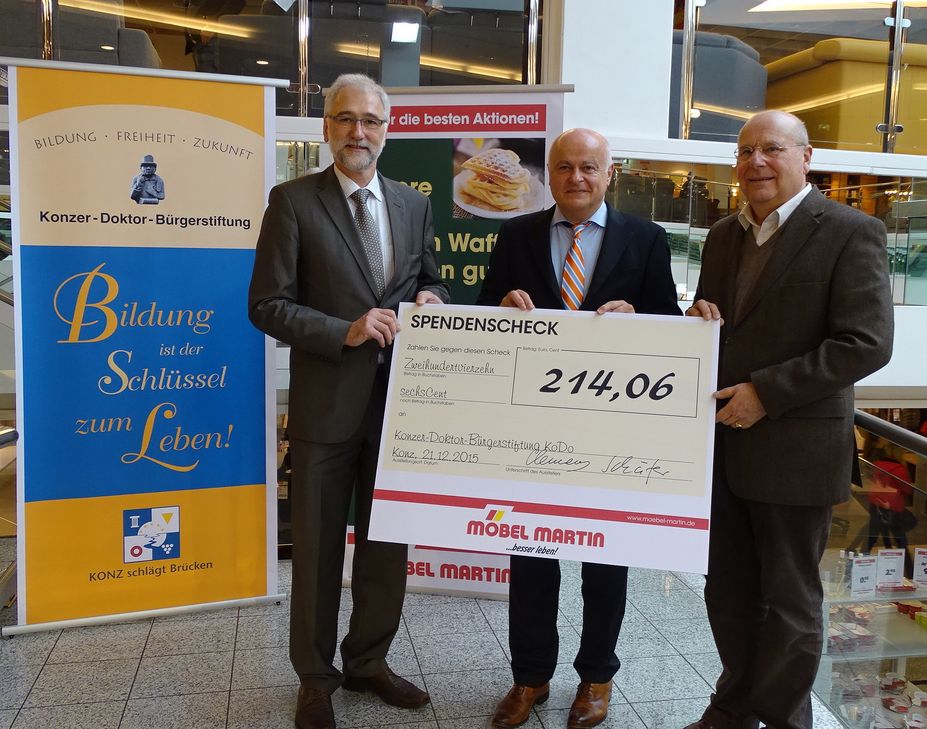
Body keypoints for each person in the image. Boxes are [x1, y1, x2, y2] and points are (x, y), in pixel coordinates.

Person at [248, 73, 449, 729]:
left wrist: (432, 298)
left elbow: (430, 279)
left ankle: (367, 662)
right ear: (326, 126)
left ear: (387, 130)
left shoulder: (412, 204)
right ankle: (315, 678)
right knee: (316, 551)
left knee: (387, 546)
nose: (358, 132)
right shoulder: (292, 201)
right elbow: (266, 305)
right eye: (346, 119)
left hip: (400, 410)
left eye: (371, 120)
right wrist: (346, 330)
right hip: (325, 409)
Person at [685, 110, 894, 729]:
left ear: (806, 158)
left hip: (797, 452)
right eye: (745, 151)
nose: (755, 161)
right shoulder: (723, 235)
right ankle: (733, 707)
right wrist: (696, 325)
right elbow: (725, 326)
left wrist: (767, 393)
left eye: (771, 149)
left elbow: (866, 343)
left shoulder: (852, 231)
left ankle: (782, 719)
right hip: (723, 448)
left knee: (790, 603)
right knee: (728, 593)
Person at [476, 127, 680, 729]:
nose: (576, 178)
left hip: (609, 434)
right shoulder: (516, 234)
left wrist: (639, 317)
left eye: (589, 167)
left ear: (609, 174)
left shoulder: (646, 238)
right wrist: (500, 307)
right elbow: (482, 312)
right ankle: (530, 677)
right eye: (565, 167)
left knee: (605, 561)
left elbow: (669, 326)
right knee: (531, 559)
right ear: (551, 174)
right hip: (531, 432)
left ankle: (596, 678)